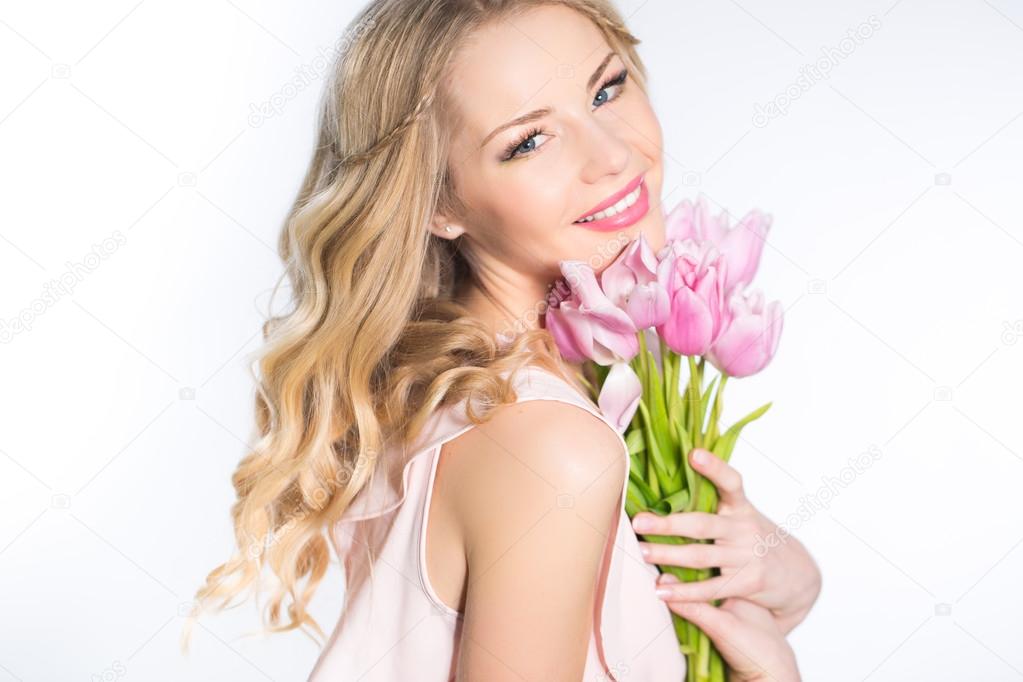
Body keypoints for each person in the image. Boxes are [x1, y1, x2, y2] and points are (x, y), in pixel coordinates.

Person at [184, 1, 821, 680]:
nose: (612, 155)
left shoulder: (471, 393)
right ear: (438, 204)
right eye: (528, 141)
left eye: (606, 89)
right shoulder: (546, 444)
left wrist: (788, 584)